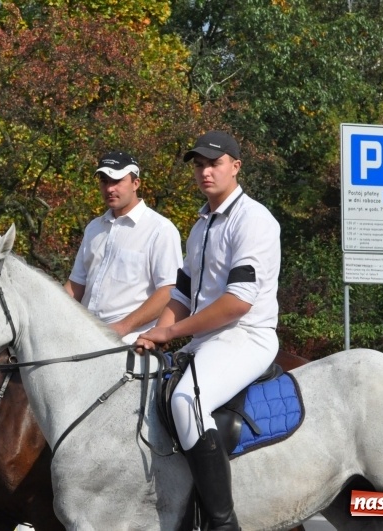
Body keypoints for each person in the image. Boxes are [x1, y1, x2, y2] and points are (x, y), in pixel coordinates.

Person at [136, 131, 281, 531]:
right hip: (207, 340)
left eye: (214, 163)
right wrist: (154, 334)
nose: (205, 171)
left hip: (246, 335)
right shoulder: (200, 225)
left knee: (186, 401)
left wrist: (173, 332)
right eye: (199, 165)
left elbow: (237, 302)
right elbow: (182, 295)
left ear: (235, 166)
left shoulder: (254, 220)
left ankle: (223, 523)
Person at [64, 151, 183, 344]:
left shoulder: (160, 229)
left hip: (130, 344)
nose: (110, 188)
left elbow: (169, 290)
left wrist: (121, 327)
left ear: (136, 183)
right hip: (85, 339)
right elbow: (76, 286)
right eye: (104, 181)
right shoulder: (94, 228)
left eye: (117, 180)